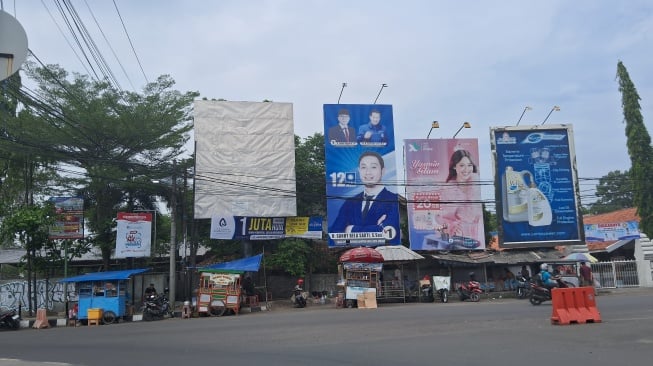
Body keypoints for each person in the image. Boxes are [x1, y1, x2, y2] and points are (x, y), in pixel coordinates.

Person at [329, 151, 399, 235]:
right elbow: (335, 232)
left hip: (382, 248)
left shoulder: (393, 200)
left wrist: (351, 229)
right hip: (353, 248)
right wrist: (377, 228)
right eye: (363, 167)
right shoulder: (350, 202)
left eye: (373, 167)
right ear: (359, 171)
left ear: (383, 171)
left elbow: (389, 231)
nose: (368, 172)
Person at [434, 149, 482, 241]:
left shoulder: (477, 186)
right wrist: (453, 228)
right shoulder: (447, 190)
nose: (466, 169)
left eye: (469, 165)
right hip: (455, 238)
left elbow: (479, 216)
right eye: (462, 165)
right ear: (454, 167)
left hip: (476, 237)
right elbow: (441, 217)